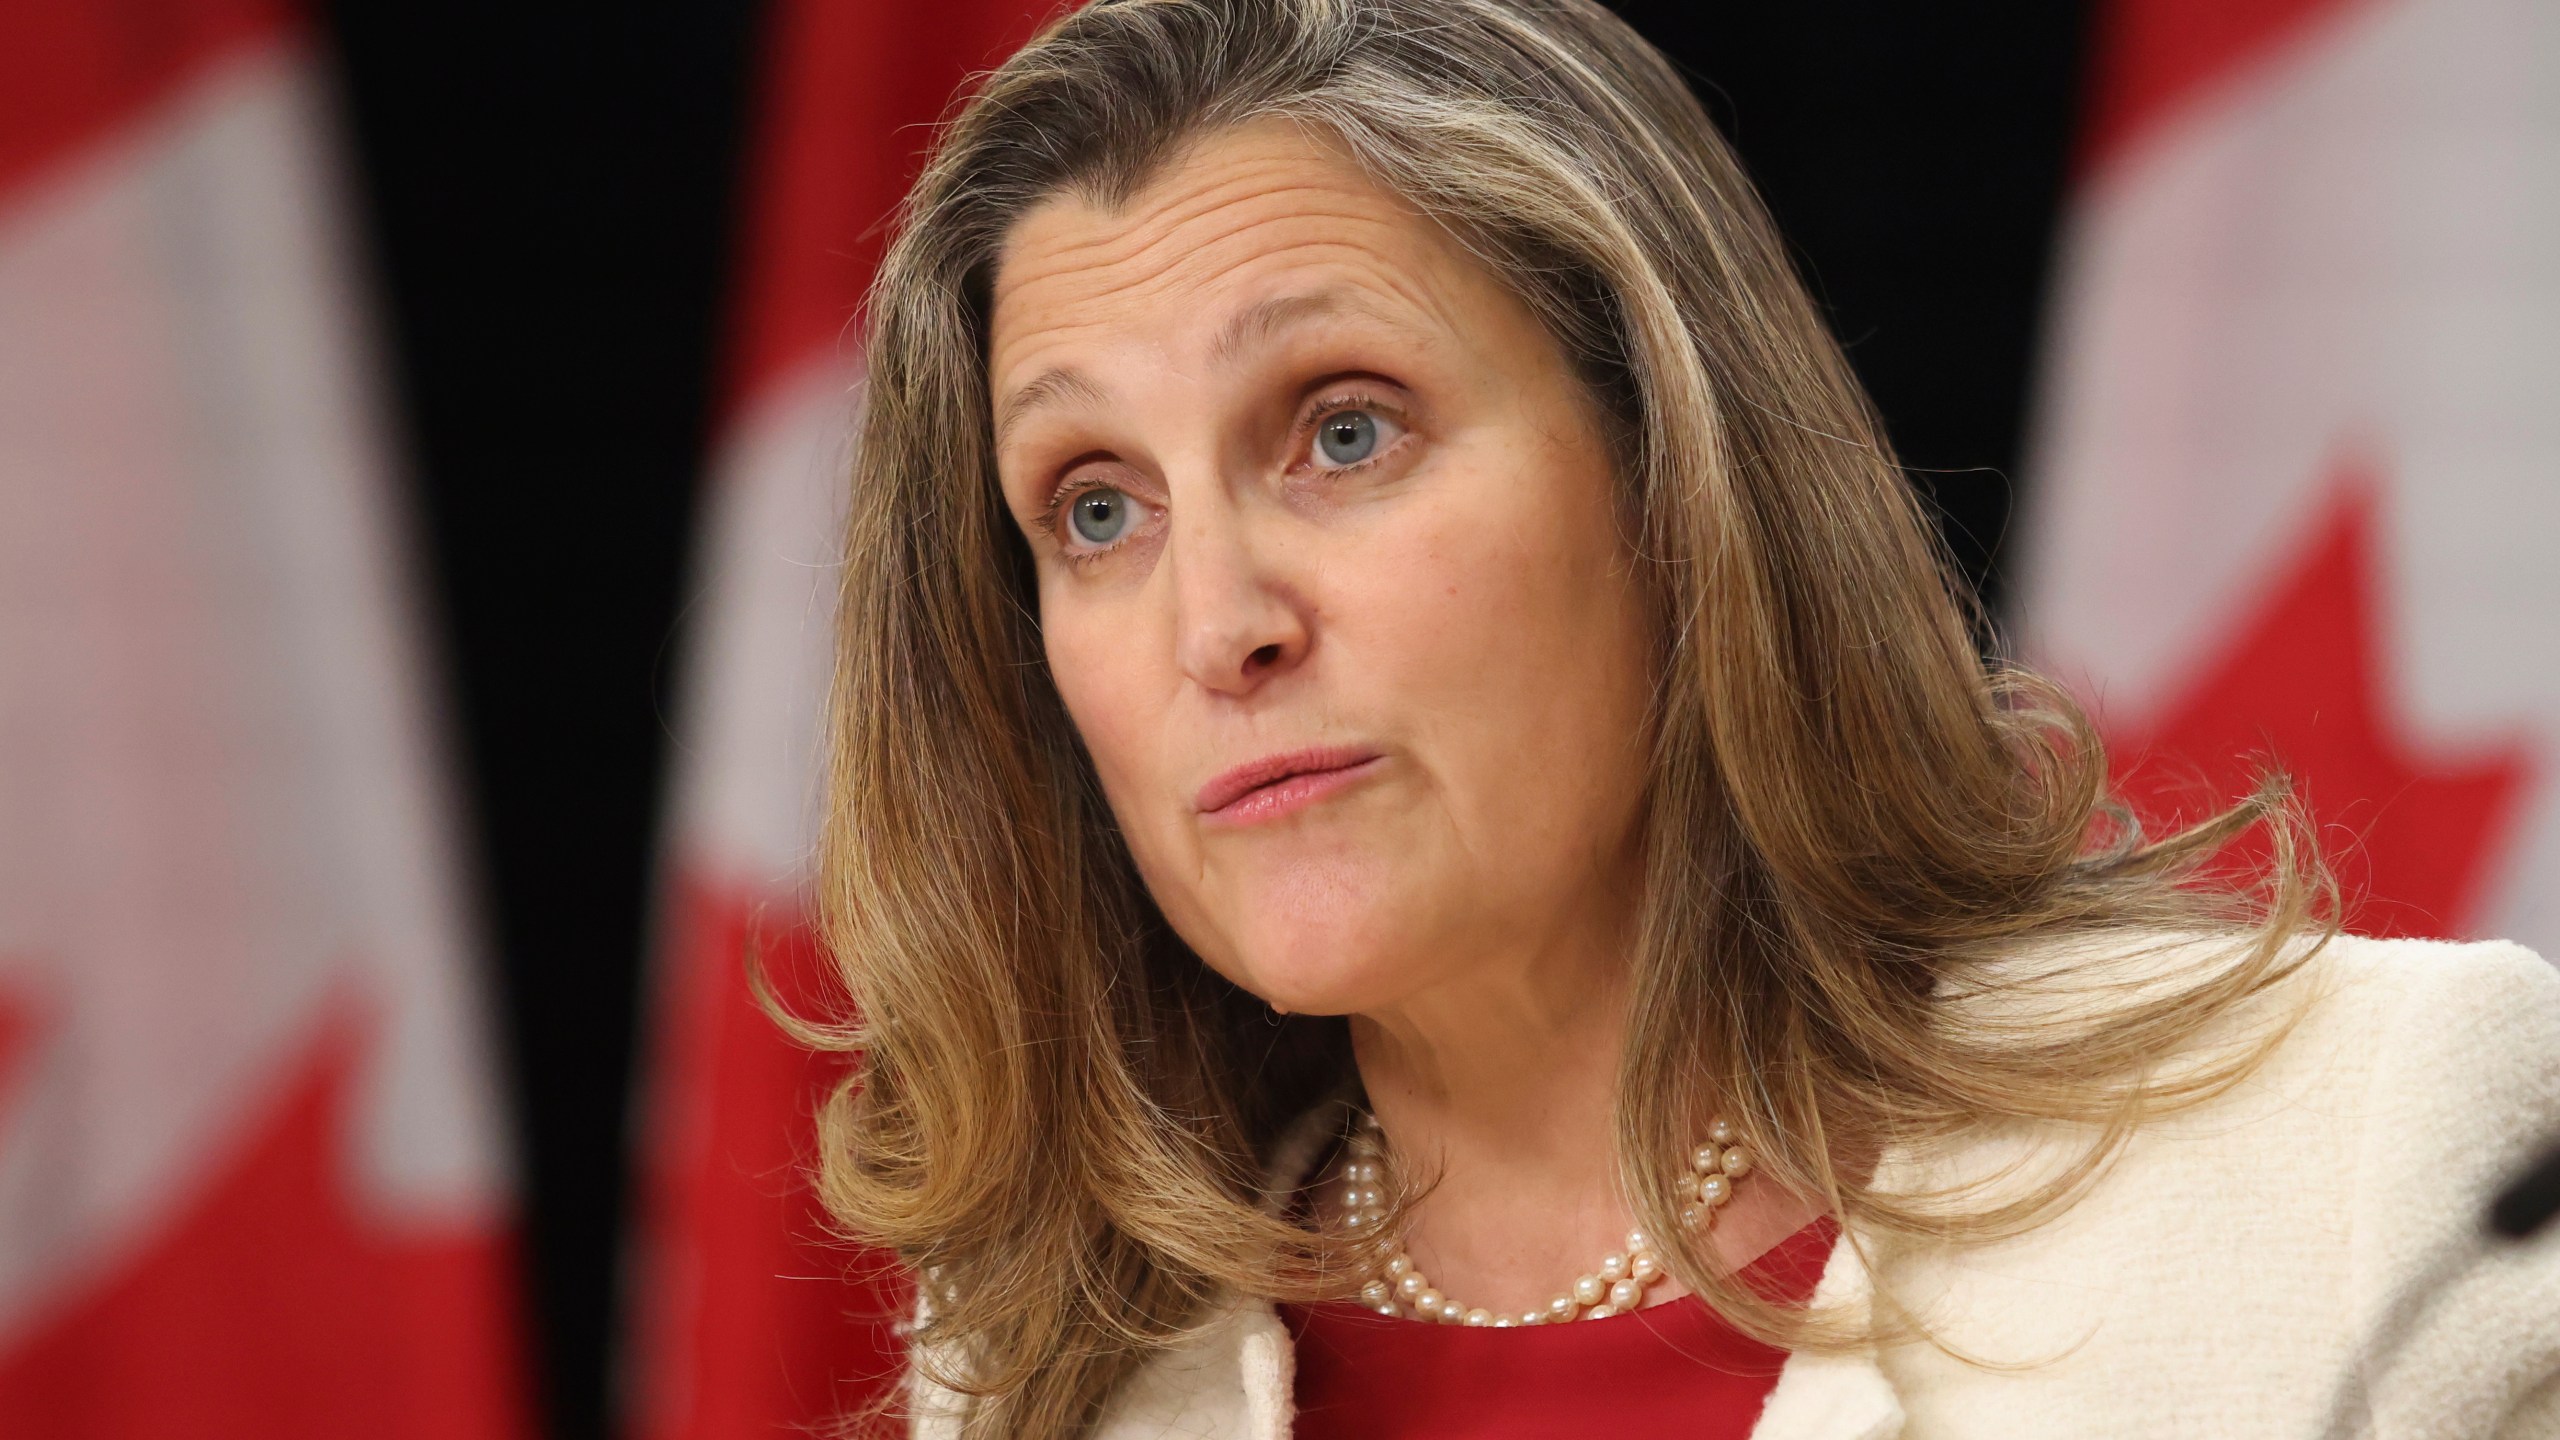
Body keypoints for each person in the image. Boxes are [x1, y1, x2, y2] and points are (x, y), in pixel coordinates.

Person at [797, 1, 2560, 1435]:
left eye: (1345, 430)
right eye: (1095, 508)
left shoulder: (2355, 1165)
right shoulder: (1050, 1374)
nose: (1220, 627)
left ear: (1675, 480)